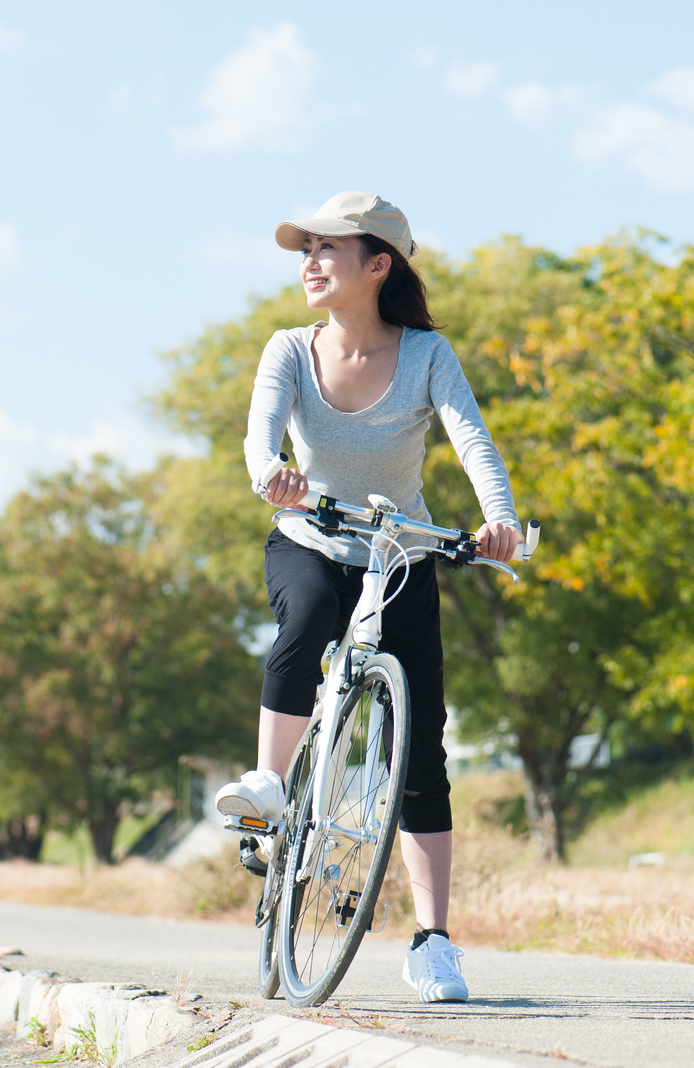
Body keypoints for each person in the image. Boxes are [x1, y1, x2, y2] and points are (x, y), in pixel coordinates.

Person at [214, 192, 520, 1004]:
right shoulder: (288, 348)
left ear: (377, 265)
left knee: (422, 754)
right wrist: (269, 473)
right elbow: (259, 433)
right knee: (307, 616)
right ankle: (272, 787)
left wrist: (500, 521)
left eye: (329, 249)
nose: (310, 263)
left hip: (400, 554)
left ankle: (434, 943)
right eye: (305, 249)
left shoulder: (426, 355)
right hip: (310, 537)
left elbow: (472, 438)